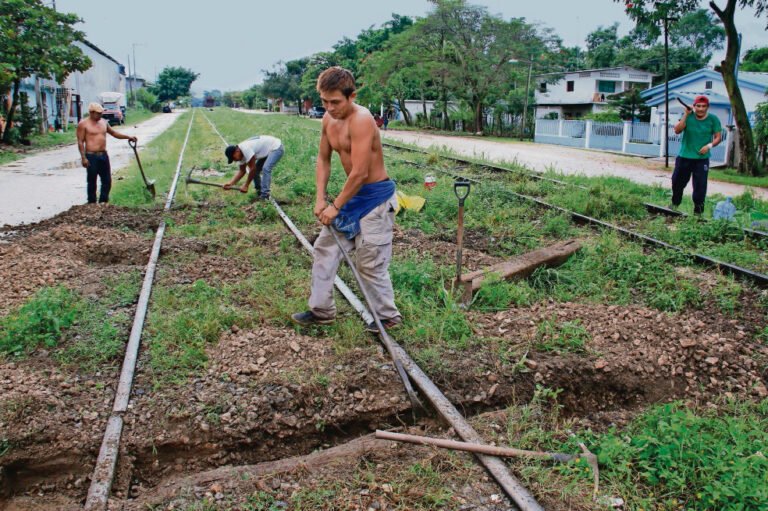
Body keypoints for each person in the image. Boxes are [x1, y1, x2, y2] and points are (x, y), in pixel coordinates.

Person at [291, 67, 402, 333]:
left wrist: (335, 205)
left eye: (335, 102)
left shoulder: (362, 120)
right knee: (324, 249)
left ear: (352, 96)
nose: (329, 108)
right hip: (353, 197)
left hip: (374, 199)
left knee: (369, 262)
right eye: (324, 101)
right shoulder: (328, 121)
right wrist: (320, 198)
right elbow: (323, 159)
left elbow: (361, 172)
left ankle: (388, 316)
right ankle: (321, 311)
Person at [671, 95, 722, 215]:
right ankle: (674, 204)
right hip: (684, 156)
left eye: (704, 106)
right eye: (698, 106)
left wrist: (709, 146)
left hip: (701, 159)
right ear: (694, 106)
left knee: (700, 186)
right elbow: (677, 130)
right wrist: (686, 114)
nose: (701, 109)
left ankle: (698, 212)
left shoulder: (713, 119)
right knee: (677, 182)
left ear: (707, 107)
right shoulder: (688, 117)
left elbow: (718, 137)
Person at [76, 102, 137, 204]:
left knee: (107, 180)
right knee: (92, 181)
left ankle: (103, 201)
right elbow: (80, 141)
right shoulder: (83, 124)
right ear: (91, 113)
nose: (100, 115)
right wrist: (83, 157)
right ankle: (91, 203)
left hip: (103, 155)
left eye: (101, 113)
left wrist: (128, 137)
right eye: (98, 113)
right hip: (91, 156)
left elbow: (113, 133)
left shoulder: (104, 122)